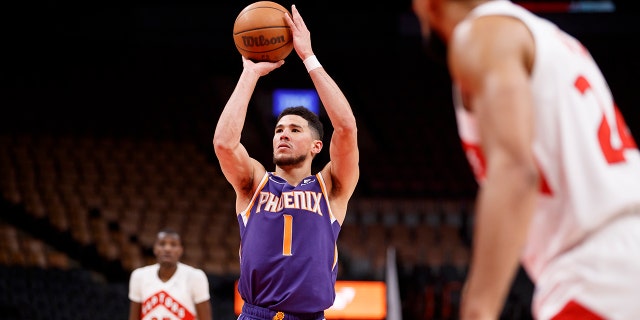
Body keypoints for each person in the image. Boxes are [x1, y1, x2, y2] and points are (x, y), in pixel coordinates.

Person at [410, 0, 640, 319]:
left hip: (598, 274)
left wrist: (478, 309)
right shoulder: (554, 40)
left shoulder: (480, 35)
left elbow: (515, 172)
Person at [213, 4, 359, 320]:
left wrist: (309, 58)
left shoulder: (330, 187)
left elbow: (346, 128)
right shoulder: (254, 182)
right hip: (256, 314)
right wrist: (249, 74)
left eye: (294, 130)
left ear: (317, 145)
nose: (283, 135)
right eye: (279, 129)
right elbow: (224, 144)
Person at [128, 228, 213, 320]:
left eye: (173, 244)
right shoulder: (139, 276)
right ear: (155, 249)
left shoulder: (195, 276)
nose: (167, 249)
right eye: (162, 244)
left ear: (180, 250)